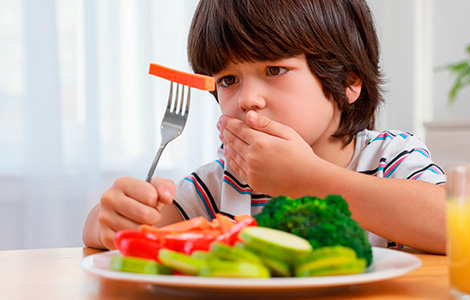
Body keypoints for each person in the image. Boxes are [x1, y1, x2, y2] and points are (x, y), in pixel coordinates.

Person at [83, 0, 447, 254]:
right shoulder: (221, 184)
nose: (247, 100)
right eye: (228, 80)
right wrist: (112, 219)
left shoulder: (391, 158)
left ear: (348, 82)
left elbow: (459, 226)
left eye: (274, 70)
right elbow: (126, 230)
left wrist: (309, 179)